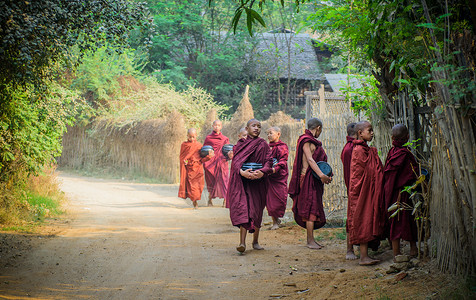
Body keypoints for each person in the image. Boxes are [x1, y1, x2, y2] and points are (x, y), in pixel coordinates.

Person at [227, 119, 273, 253]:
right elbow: (236, 163)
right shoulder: (240, 144)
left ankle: (256, 241)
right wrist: (242, 172)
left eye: (259, 126)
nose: (257, 128)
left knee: (257, 211)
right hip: (244, 183)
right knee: (244, 210)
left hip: (259, 183)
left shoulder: (263, 144)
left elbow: (269, 161)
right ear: (247, 129)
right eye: (254, 126)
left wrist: (262, 172)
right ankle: (242, 243)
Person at [288, 118, 332, 250]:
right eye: (321, 130)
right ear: (318, 128)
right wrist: (321, 175)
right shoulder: (306, 140)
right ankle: (309, 240)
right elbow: (310, 160)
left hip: (314, 178)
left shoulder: (314, 142)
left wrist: (326, 174)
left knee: (313, 206)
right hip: (306, 178)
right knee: (309, 208)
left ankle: (311, 239)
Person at [348, 121, 385, 265]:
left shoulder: (365, 149)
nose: (372, 133)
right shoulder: (358, 150)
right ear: (360, 133)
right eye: (369, 130)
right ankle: (363, 257)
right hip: (361, 192)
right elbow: (361, 174)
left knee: (367, 219)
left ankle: (365, 255)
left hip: (366, 190)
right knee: (363, 219)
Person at [383, 124, 419, 260]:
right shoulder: (406, 154)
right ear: (408, 137)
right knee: (408, 219)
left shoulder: (392, 153)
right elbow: (413, 173)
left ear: (392, 137)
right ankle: (413, 248)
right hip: (403, 193)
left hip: (391, 192)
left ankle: (396, 253)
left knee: (395, 221)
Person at [178, 128, 214, 209]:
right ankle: (195, 202)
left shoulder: (199, 146)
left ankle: (195, 200)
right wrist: (184, 162)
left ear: (196, 136)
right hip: (190, 169)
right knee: (193, 187)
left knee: (200, 187)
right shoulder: (184, 145)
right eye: (190, 137)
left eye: (193, 137)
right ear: (187, 136)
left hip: (198, 169)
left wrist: (209, 157)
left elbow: (201, 159)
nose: (192, 139)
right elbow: (182, 157)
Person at [203, 120, 232, 207]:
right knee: (212, 180)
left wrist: (228, 157)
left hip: (222, 162)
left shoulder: (225, 139)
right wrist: (205, 159)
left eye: (218, 125)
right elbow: (205, 149)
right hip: (211, 162)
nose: (216, 127)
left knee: (224, 180)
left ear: (221, 127)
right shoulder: (208, 138)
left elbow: (228, 150)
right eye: (215, 125)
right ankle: (210, 199)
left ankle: (225, 200)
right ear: (212, 126)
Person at [266, 127, 289, 230]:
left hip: (279, 176)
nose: (269, 135)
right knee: (270, 200)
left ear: (278, 134)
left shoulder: (282, 147)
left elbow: (283, 160)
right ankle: (274, 222)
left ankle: (278, 219)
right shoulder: (266, 147)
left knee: (280, 198)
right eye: (267, 133)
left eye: (271, 133)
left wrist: (275, 169)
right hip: (269, 177)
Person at [341, 122, 358, 260]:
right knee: (352, 217)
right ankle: (349, 249)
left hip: (357, 187)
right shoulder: (350, 149)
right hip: (355, 188)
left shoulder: (353, 147)